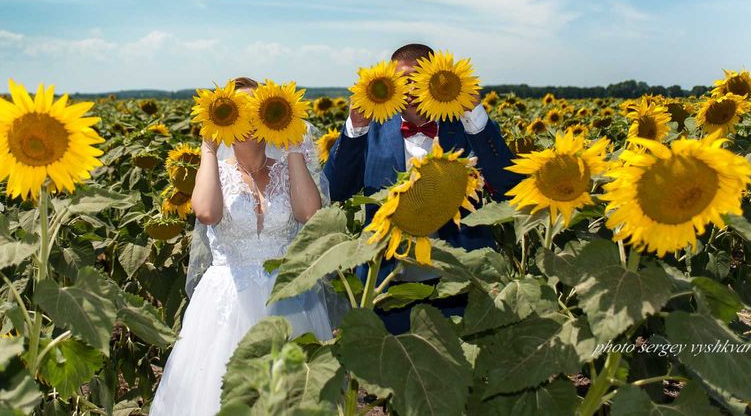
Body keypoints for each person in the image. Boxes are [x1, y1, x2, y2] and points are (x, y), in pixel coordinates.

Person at [150, 77, 335, 416]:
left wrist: (293, 144)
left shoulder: (287, 169)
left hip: (288, 300)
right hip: (226, 303)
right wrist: (208, 144)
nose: (247, 120)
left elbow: (309, 212)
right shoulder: (216, 172)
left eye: (255, 109)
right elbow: (206, 212)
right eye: (238, 110)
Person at [323, 43, 523, 334]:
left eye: (418, 80)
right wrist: (354, 128)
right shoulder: (372, 128)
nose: (411, 90)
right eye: (402, 81)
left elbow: (508, 186)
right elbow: (337, 191)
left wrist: (475, 116)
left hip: (461, 281)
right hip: (387, 287)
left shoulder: (466, 125)